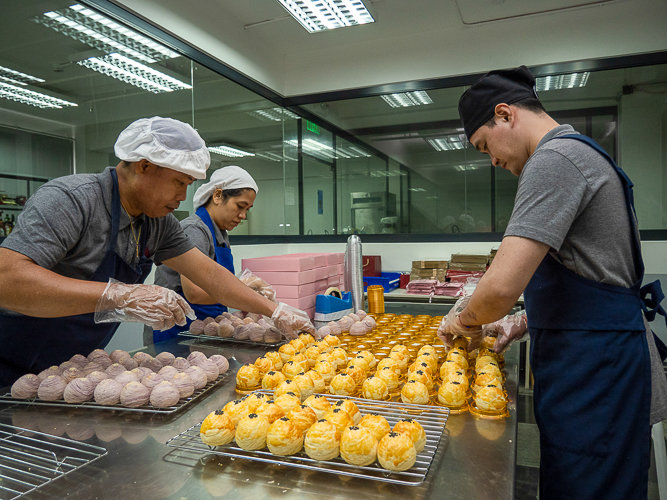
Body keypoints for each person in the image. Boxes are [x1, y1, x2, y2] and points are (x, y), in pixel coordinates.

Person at [438, 66, 667, 499]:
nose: (492, 160)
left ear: (504, 114)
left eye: (485, 145)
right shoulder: (579, 155)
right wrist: (521, 322)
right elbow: (588, 274)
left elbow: (502, 286)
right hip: (595, 357)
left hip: (599, 371)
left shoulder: (553, 160)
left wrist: (462, 322)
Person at [0, 116, 315, 387]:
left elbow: (209, 274)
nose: (183, 196)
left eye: (189, 184)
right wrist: (121, 295)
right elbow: (7, 280)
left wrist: (274, 311)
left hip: (75, 371)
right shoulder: (72, 201)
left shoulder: (157, 223)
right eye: (179, 182)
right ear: (144, 166)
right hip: (11, 363)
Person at [147, 165, 262, 344]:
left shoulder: (220, 234)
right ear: (217, 196)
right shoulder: (194, 230)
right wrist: (244, 290)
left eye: (248, 209)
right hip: (177, 330)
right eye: (240, 206)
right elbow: (194, 292)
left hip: (205, 327)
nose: (243, 216)